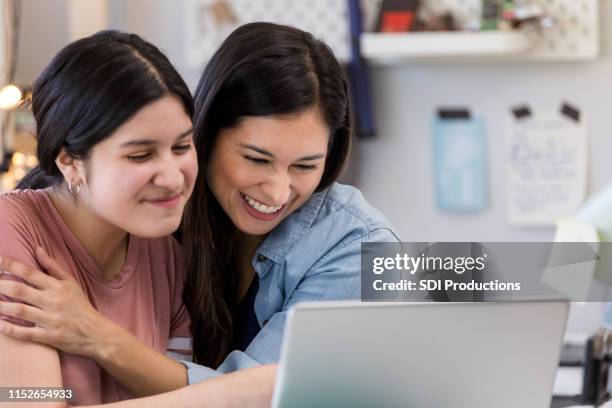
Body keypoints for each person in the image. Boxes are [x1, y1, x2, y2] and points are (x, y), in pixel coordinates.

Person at [0, 22, 399, 402]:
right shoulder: (21, 234)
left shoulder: (163, 254)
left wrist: (96, 334)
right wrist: (258, 391)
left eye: (305, 166)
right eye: (256, 159)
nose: (278, 190)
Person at [0, 30, 273, 407]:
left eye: (181, 146)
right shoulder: (11, 235)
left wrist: (95, 333)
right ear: (70, 162)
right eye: (140, 155)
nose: (174, 177)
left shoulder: (165, 256)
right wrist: (248, 392)